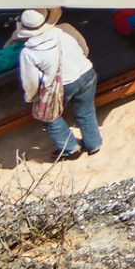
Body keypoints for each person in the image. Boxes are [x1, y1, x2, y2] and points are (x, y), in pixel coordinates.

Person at [16, 9, 99, 161]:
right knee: (86, 111)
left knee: (48, 116)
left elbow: (31, 82)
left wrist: (32, 98)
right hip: (86, 72)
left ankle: (70, 148)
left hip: (62, 85)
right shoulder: (65, 28)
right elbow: (84, 49)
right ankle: (94, 144)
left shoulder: (28, 53)